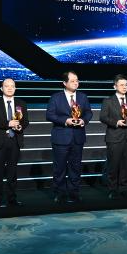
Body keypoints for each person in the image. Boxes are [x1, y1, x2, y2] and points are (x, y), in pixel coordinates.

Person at [46, 71, 93, 202]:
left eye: (77, 80)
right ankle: (59, 193)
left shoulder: (83, 97)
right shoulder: (56, 97)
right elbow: (49, 115)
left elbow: (89, 113)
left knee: (75, 167)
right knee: (59, 168)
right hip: (61, 137)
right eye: (72, 81)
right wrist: (65, 120)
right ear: (64, 83)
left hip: (78, 137)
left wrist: (84, 120)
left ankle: (74, 192)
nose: (75, 83)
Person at [0, 78, 29, 207]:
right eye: (7, 86)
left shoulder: (21, 103)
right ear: (1, 88)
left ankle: (12, 198)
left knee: (12, 172)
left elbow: (25, 121)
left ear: (15, 88)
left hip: (15, 140)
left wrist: (20, 127)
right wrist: (8, 124)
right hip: (0, 141)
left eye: (12, 86)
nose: (10, 88)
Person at [100, 74, 127, 199]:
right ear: (115, 86)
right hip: (114, 137)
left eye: (126, 85)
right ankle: (112, 189)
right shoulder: (108, 101)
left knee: (126, 165)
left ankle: (124, 189)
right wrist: (116, 122)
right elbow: (103, 117)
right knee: (113, 165)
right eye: (121, 85)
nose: (124, 87)